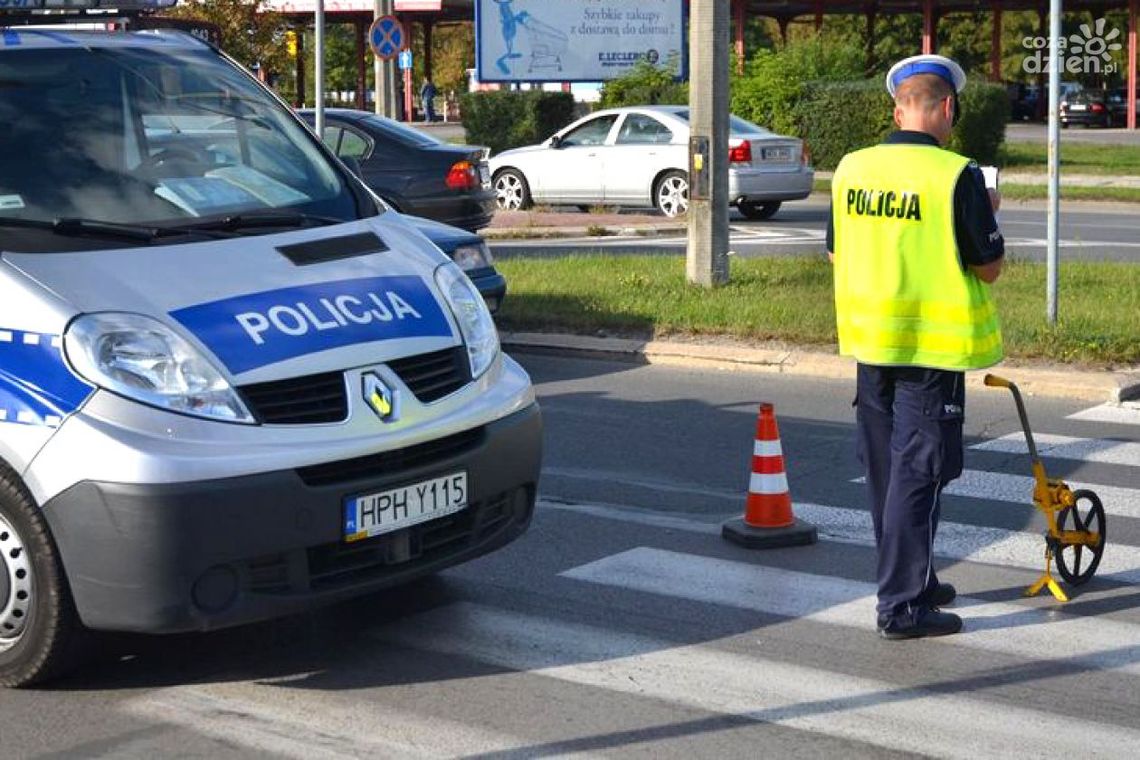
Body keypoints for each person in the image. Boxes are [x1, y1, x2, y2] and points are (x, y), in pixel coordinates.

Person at [827, 54, 1005, 640]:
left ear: (896, 108)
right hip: (929, 349)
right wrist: (988, 211)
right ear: (947, 108)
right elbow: (990, 266)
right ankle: (902, 606)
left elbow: (834, 252)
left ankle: (916, 578)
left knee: (887, 471)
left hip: (869, 341)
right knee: (919, 473)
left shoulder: (851, 168)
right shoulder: (957, 175)